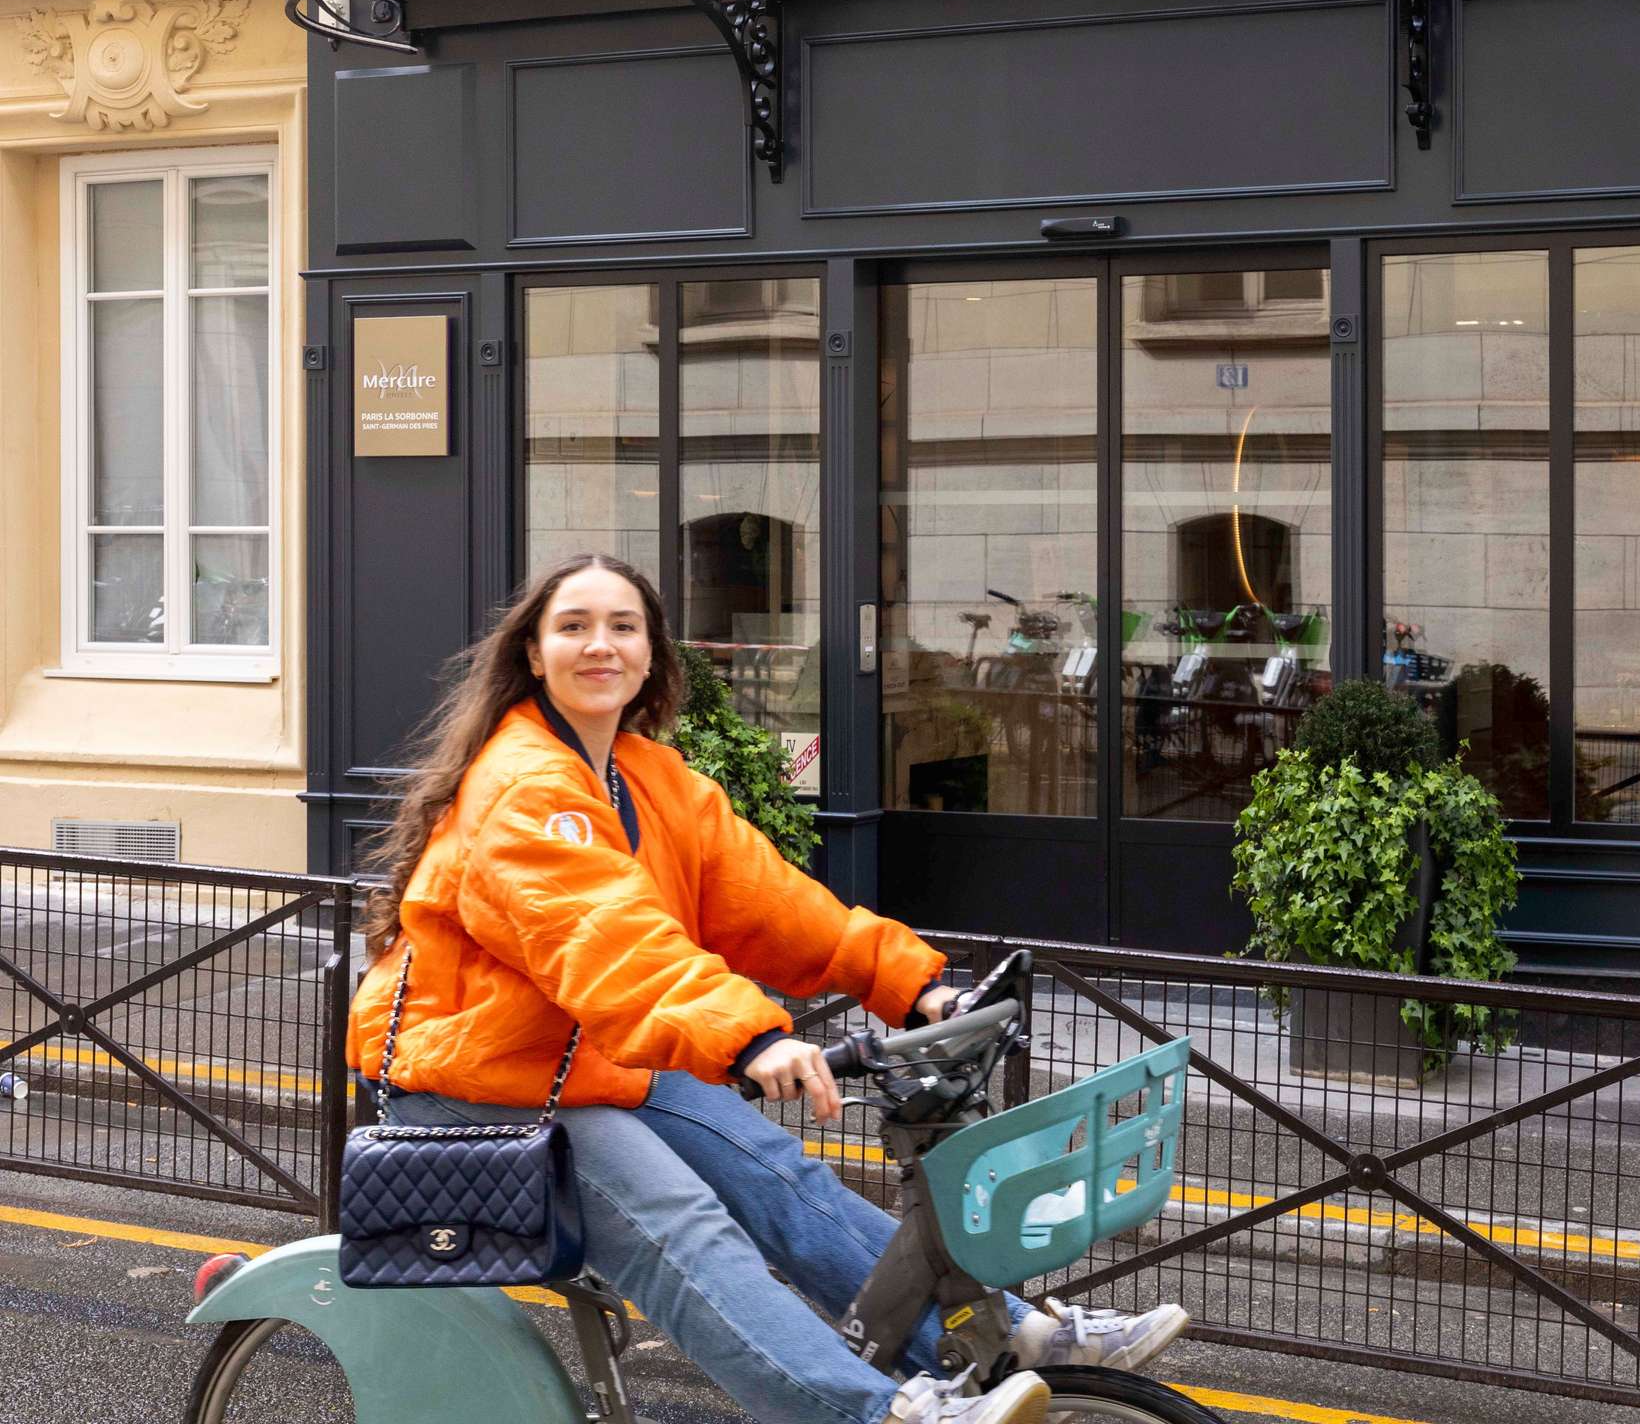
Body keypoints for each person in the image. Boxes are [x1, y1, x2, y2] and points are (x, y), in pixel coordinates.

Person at [348, 552, 1187, 1424]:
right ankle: (875, 1415)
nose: (600, 646)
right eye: (573, 627)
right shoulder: (524, 789)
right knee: (684, 1229)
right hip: (475, 1082)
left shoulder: (648, 778)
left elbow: (773, 903)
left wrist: (911, 987)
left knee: (784, 1181)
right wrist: (749, 1035)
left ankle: (1014, 1337)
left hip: (583, 1059)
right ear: (533, 653)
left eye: (622, 627)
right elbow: (605, 936)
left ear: (650, 655)